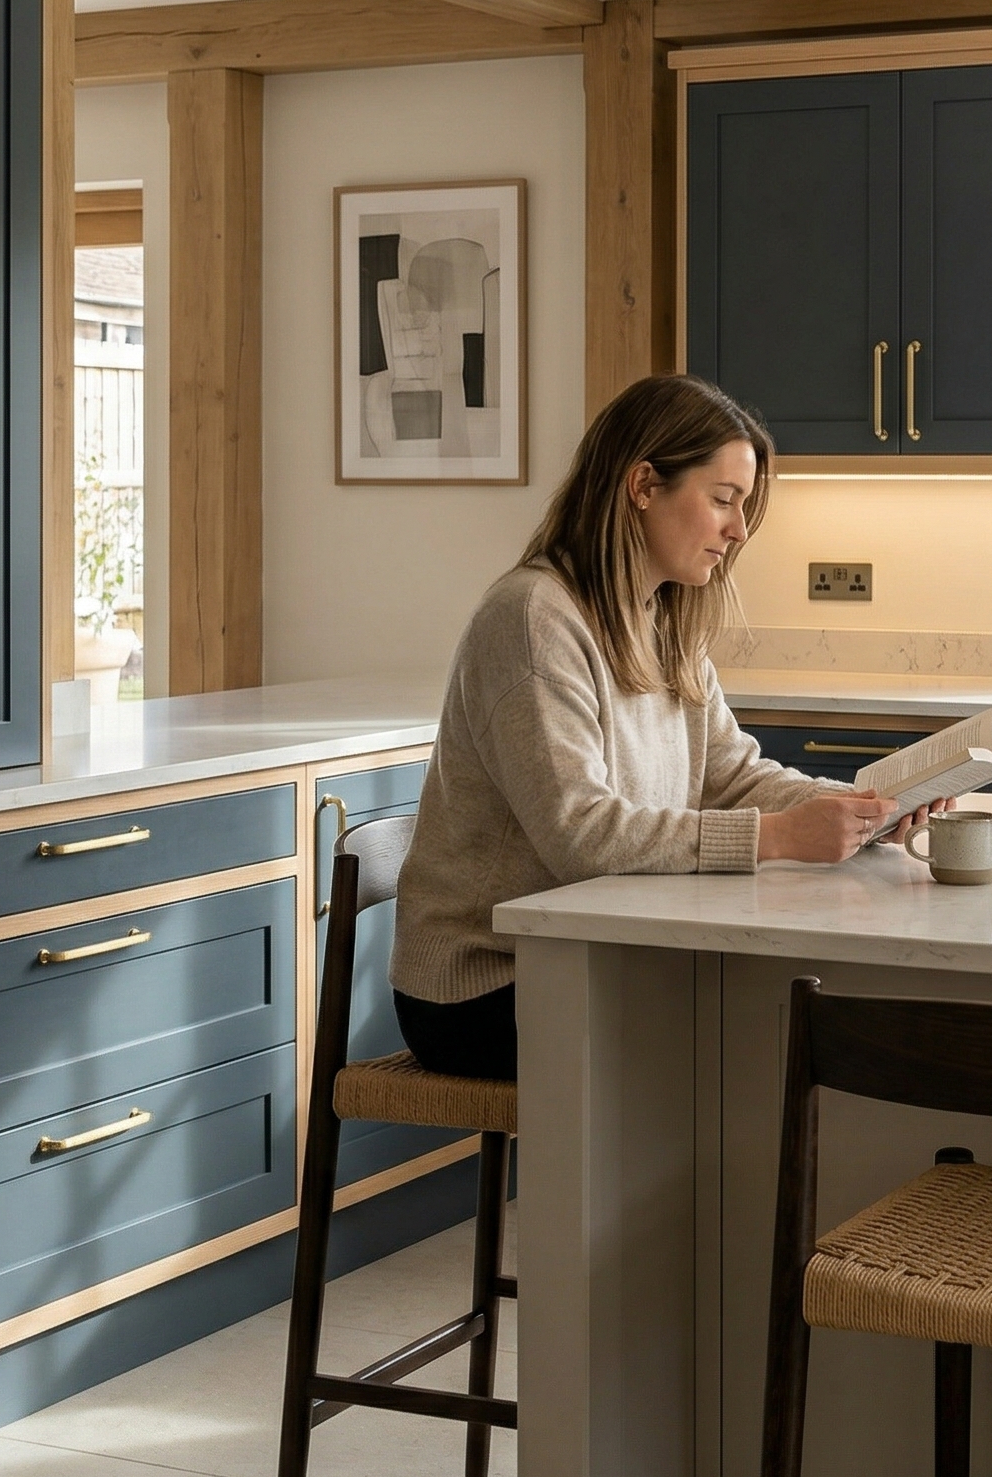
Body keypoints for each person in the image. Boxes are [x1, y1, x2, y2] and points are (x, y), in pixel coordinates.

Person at [388, 372, 941, 1081]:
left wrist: (868, 809)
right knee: (756, 1024)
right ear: (644, 485)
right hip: (486, 984)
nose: (739, 530)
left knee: (767, 1010)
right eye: (722, 500)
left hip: (586, 951)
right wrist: (780, 838)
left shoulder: (662, 619)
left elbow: (732, 775)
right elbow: (581, 834)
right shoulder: (532, 619)